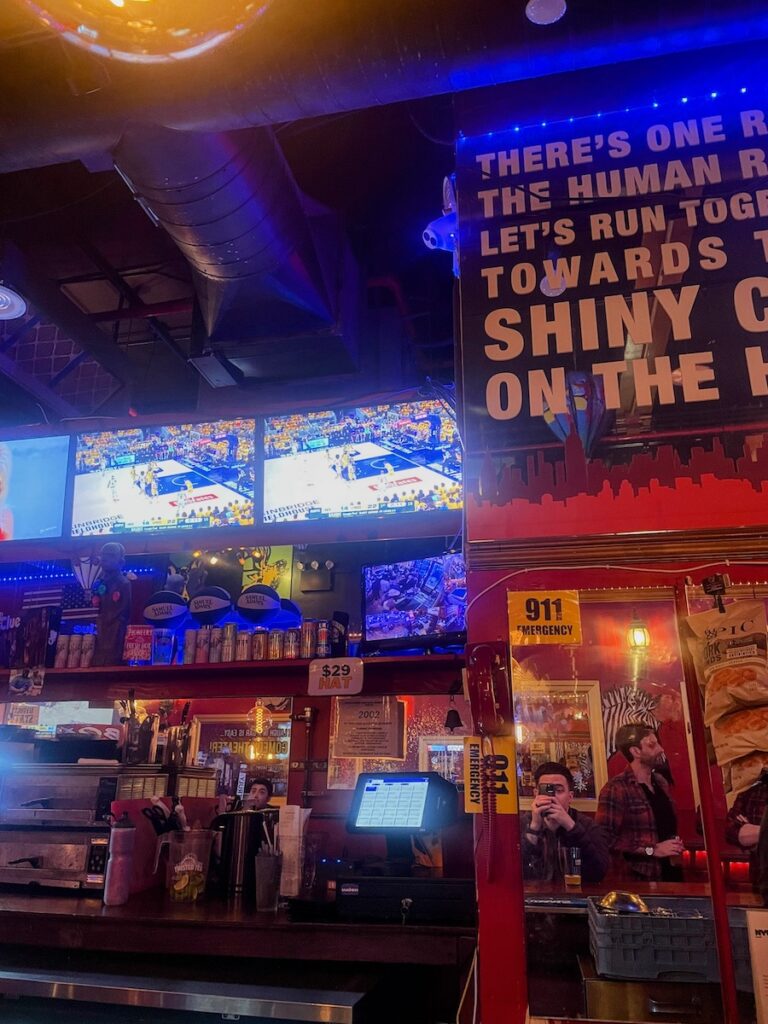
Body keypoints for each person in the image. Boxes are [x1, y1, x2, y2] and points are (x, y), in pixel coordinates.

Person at [596, 723, 684, 881]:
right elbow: (604, 838)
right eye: (652, 745)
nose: (661, 749)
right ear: (635, 751)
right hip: (639, 879)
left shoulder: (661, 782)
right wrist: (652, 850)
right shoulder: (616, 789)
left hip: (671, 872)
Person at [521, 762, 609, 883]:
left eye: (558, 790)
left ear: (570, 796)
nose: (553, 797)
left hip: (576, 897)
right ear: (536, 794)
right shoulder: (522, 824)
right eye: (546, 790)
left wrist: (571, 826)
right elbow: (514, 871)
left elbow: (598, 873)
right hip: (534, 897)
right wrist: (534, 828)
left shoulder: (588, 826)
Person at [725, 769, 768, 888]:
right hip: (762, 885)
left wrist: (755, 833)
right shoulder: (755, 790)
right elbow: (731, 830)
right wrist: (764, 832)